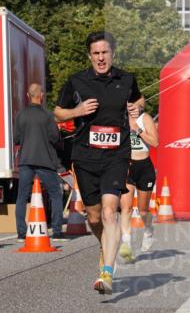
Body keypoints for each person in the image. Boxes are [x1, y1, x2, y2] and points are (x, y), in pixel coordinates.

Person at [54, 31, 144, 295]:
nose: (101, 58)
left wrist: (137, 108)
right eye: (96, 53)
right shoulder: (76, 81)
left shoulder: (126, 79)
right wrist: (77, 111)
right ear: (89, 56)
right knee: (94, 217)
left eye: (105, 53)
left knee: (109, 211)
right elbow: (57, 112)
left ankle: (107, 272)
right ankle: (104, 243)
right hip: (84, 155)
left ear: (112, 54)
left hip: (116, 155)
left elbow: (138, 98)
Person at [14, 83, 65, 241]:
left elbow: (16, 139)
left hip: (25, 161)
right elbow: (55, 138)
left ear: (28, 96)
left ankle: (22, 233)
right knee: (55, 194)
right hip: (45, 161)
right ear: (41, 95)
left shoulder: (20, 115)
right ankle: (56, 231)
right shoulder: (48, 115)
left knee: (22, 196)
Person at [119, 106, 159, 263]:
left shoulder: (146, 119)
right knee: (126, 208)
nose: (132, 107)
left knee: (142, 210)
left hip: (144, 167)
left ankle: (148, 229)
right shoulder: (120, 117)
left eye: (135, 103)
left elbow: (155, 142)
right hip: (127, 166)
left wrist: (137, 130)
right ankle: (127, 247)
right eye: (129, 103)